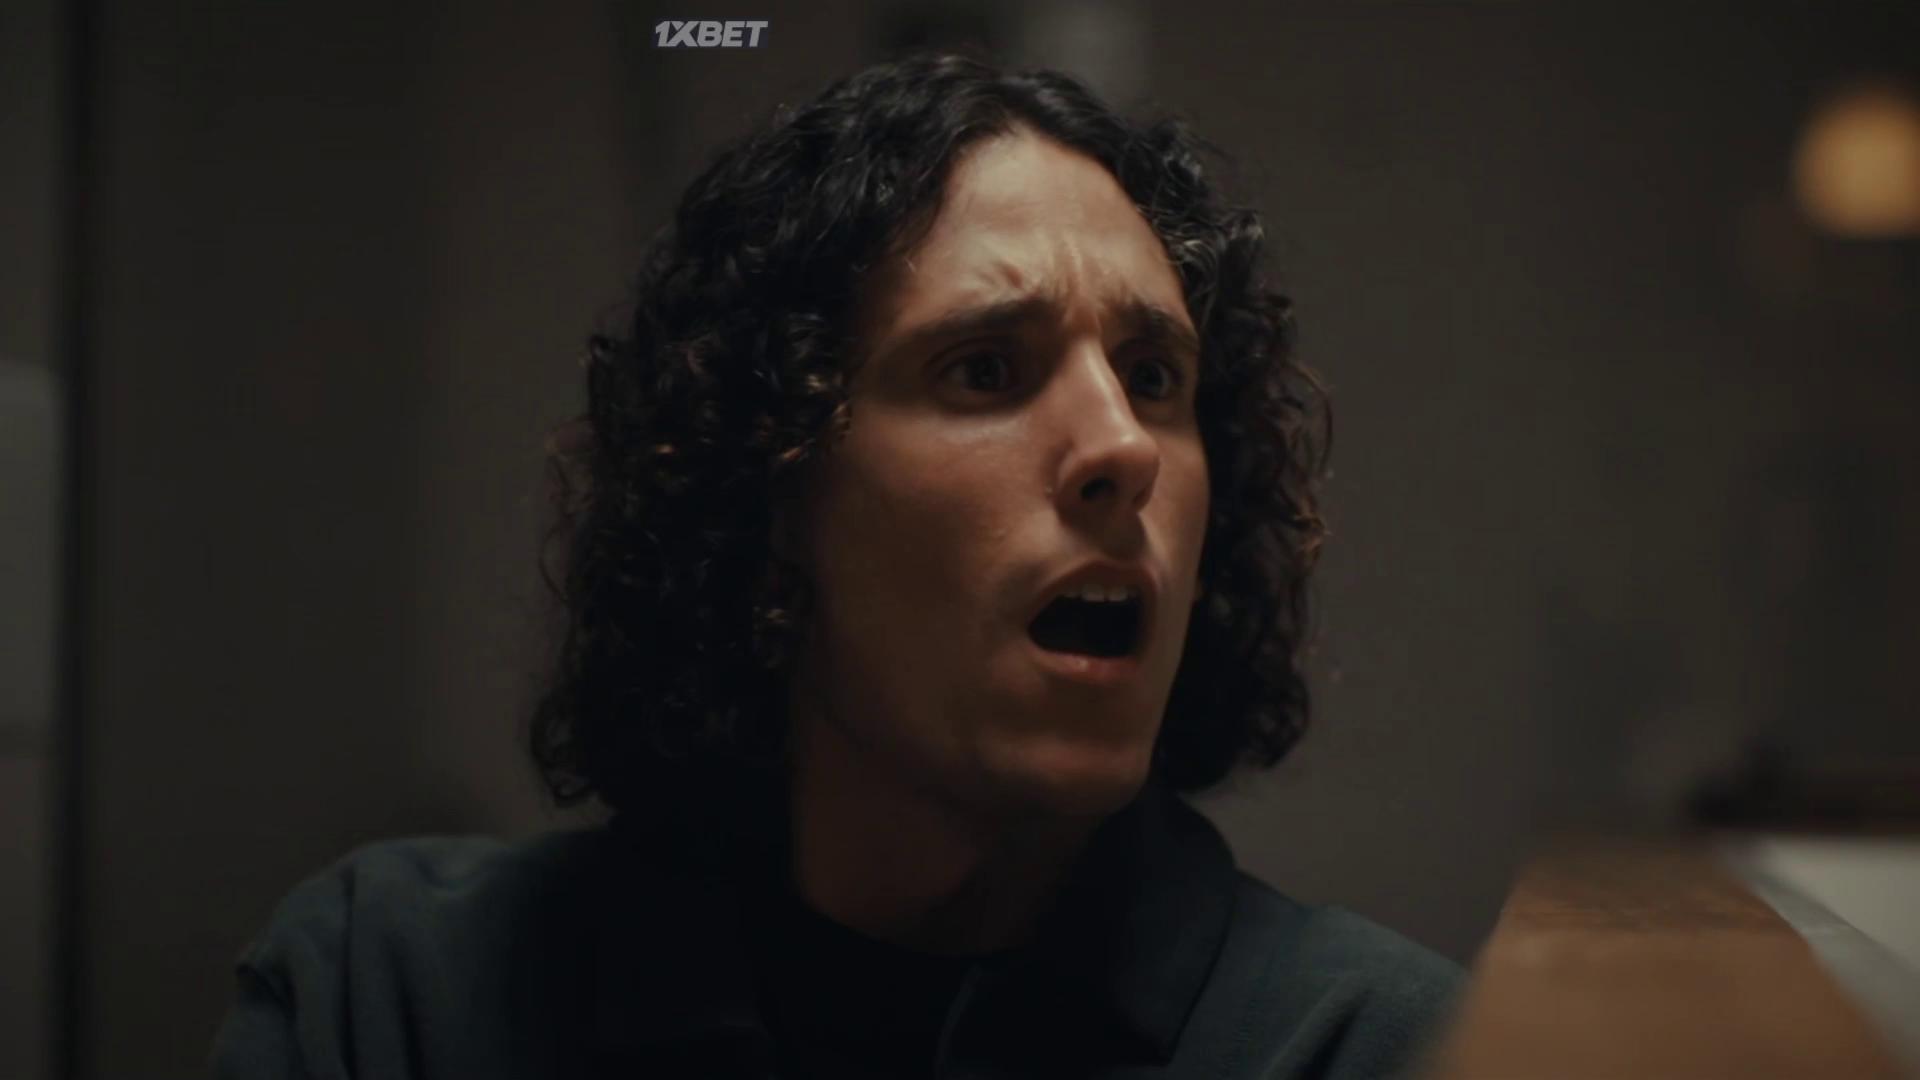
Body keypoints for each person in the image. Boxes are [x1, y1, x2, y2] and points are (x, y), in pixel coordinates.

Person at [211, 53, 1464, 1079]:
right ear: (770, 496)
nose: (1124, 447)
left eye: (1153, 377)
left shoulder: (1381, 1049)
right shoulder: (396, 999)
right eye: (986, 369)